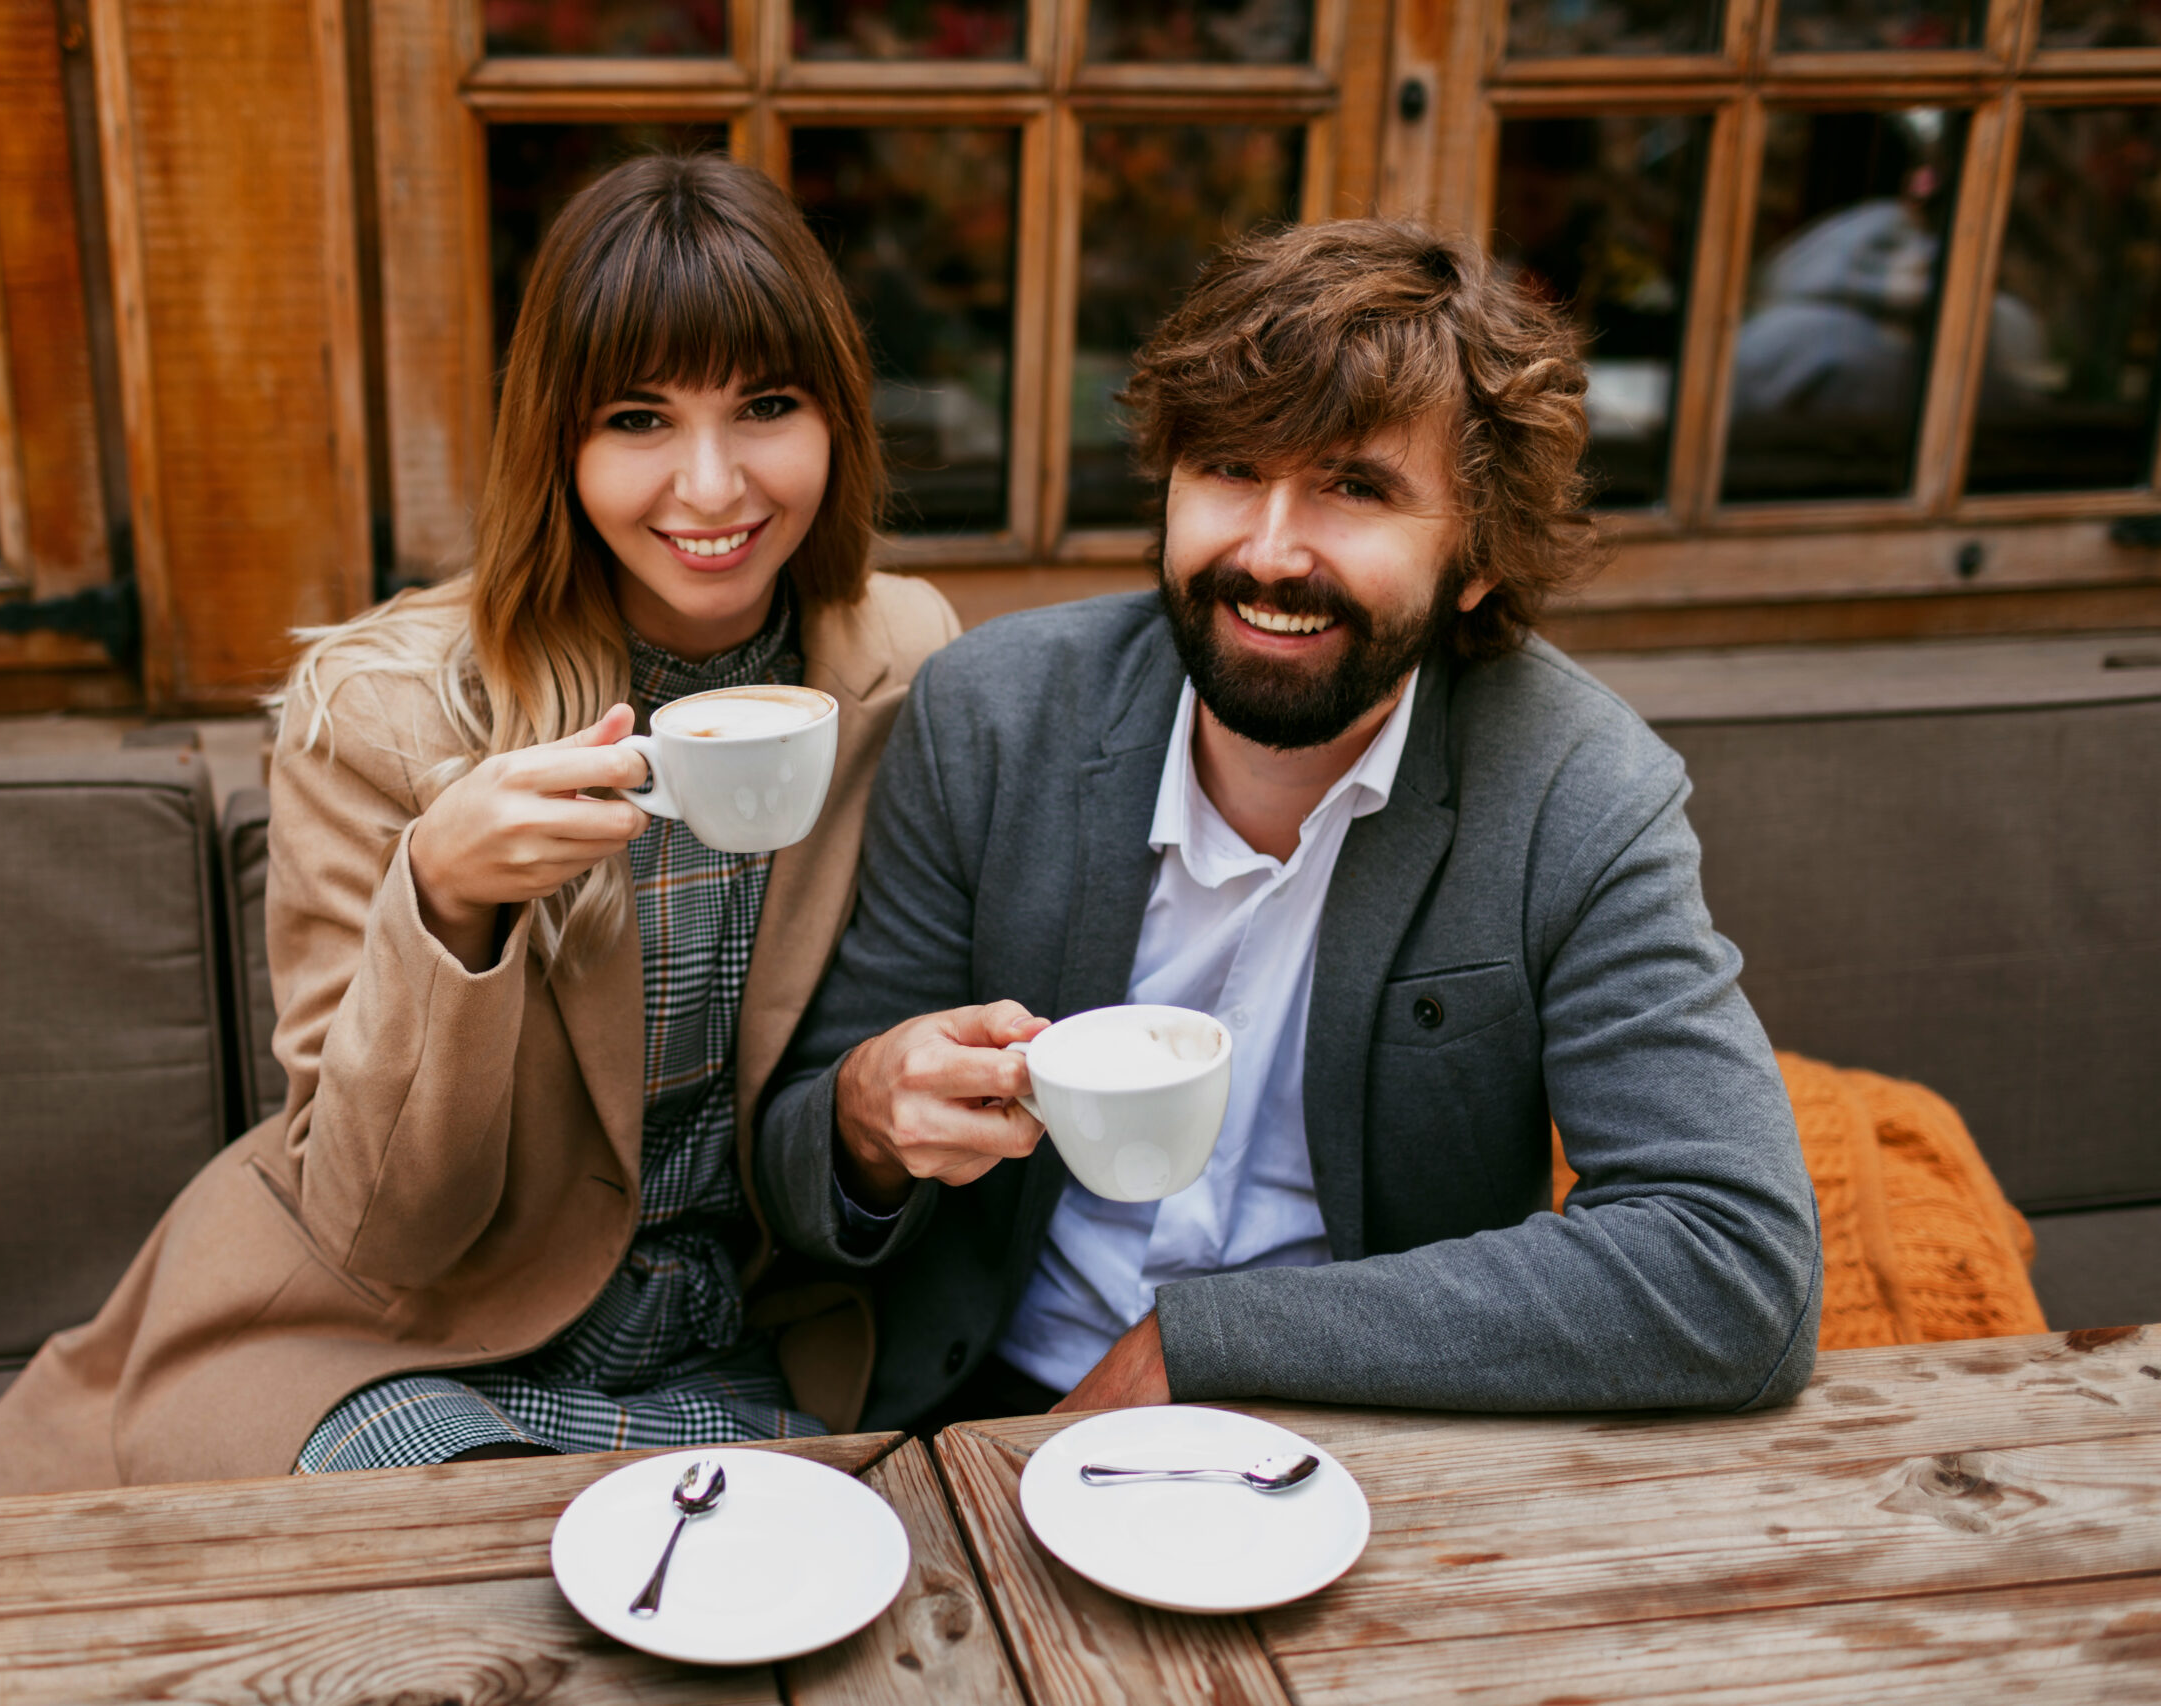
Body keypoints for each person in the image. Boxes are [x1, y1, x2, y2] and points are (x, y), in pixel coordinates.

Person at [0, 154, 958, 1495]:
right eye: (639, 418)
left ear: (838, 419)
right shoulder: (388, 708)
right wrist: (447, 901)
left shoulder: (896, 657)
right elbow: (380, 1224)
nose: (711, 484)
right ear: (559, 444)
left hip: (724, 1343)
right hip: (386, 1336)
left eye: (766, 405)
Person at [753, 219, 1822, 1431]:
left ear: (1477, 553)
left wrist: (1203, 1345)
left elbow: (1735, 1263)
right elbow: (797, 1176)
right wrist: (866, 1118)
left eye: (1354, 488)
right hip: (985, 1412)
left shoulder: (1576, 787)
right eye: (1226, 471)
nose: (1267, 552)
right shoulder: (994, 715)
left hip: (1360, 1428)